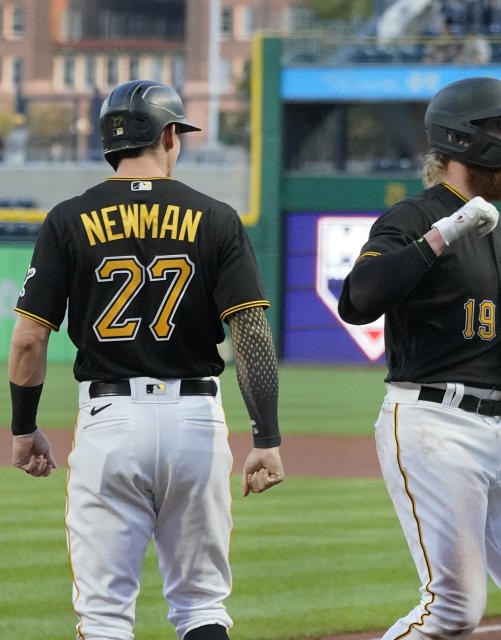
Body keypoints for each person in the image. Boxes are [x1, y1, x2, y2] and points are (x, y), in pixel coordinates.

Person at [8, 80, 284, 640]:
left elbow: (27, 342)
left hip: (110, 421)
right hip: (195, 423)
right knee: (202, 604)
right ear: (166, 135)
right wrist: (267, 439)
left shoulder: (67, 219)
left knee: (106, 614)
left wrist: (22, 427)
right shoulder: (216, 218)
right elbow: (251, 333)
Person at [338, 76, 501, 639]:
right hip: (431, 421)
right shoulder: (413, 217)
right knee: (454, 608)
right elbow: (357, 300)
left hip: (497, 434)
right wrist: (441, 236)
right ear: (463, 138)